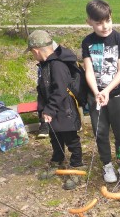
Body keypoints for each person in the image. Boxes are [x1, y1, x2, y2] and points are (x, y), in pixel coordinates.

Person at [82, 0, 120, 186]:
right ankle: (107, 164)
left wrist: (108, 91)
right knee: (100, 133)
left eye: (108, 20)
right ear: (89, 22)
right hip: (96, 97)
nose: (105, 26)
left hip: (116, 95)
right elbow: (88, 71)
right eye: (99, 23)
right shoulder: (87, 42)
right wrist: (96, 92)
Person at [27, 30, 84, 190]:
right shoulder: (45, 65)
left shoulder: (58, 65)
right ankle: (57, 160)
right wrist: (43, 110)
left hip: (65, 111)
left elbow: (60, 90)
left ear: (36, 50)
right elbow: (43, 89)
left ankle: (77, 167)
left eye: (32, 53)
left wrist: (49, 110)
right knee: (55, 138)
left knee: (71, 140)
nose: (33, 56)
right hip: (52, 111)